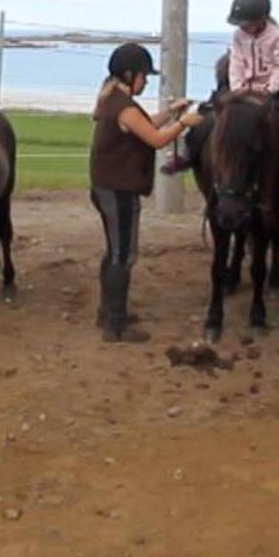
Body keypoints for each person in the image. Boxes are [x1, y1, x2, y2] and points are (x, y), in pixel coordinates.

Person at [90, 43, 201, 343]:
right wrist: (184, 123)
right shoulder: (124, 107)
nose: (146, 82)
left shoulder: (114, 100)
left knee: (115, 252)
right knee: (124, 255)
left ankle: (109, 312)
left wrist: (171, 112)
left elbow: (145, 125)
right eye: (143, 76)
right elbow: (156, 139)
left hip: (107, 188)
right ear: (130, 75)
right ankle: (115, 325)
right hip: (119, 190)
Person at [161, 0, 279, 176]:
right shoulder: (239, 35)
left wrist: (270, 88)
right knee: (205, 114)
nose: (242, 27)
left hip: (268, 89)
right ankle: (189, 154)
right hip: (241, 89)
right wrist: (237, 87)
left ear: (261, 19)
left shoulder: (277, 37)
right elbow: (236, 61)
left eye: (246, 23)